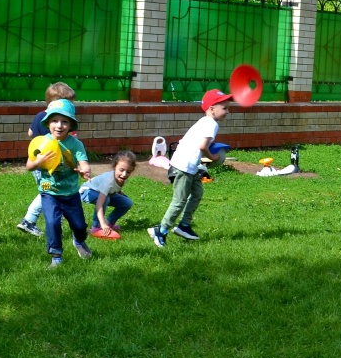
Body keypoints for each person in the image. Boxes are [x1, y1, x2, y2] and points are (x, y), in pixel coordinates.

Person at [149, 89, 231, 247]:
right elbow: (202, 146)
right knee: (179, 200)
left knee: (197, 193)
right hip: (183, 167)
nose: (228, 111)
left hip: (190, 166)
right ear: (212, 109)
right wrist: (213, 157)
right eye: (225, 108)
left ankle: (184, 225)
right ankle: (161, 231)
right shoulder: (211, 124)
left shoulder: (204, 121)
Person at [23, 98, 92, 266]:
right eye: (54, 120)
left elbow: (83, 163)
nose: (59, 125)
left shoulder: (75, 144)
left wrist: (84, 170)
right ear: (48, 123)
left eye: (64, 121)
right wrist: (38, 161)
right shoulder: (42, 142)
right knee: (53, 223)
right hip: (49, 192)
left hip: (71, 194)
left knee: (80, 226)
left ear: (71, 125)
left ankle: (79, 240)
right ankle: (56, 257)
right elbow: (28, 166)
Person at [17, 81, 76, 237]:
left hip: (36, 160)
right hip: (49, 163)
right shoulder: (53, 121)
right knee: (49, 191)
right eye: (68, 104)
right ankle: (29, 220)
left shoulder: (40, 116)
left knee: (47, 190)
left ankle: (45, 221)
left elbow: (30, 133)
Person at [81, 150, 136, 239]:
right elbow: (100, 204)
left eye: (128, 172)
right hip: (87, 191)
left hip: (103, 193)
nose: (124, 174)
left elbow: (115, 187)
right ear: (114, 167)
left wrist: (119, 192)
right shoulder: (108, 181)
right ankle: (96, 227)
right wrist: (102, 223)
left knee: (127, 203)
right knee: (105, 199)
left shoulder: (122, 178)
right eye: (121, 170)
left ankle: (109, 223)